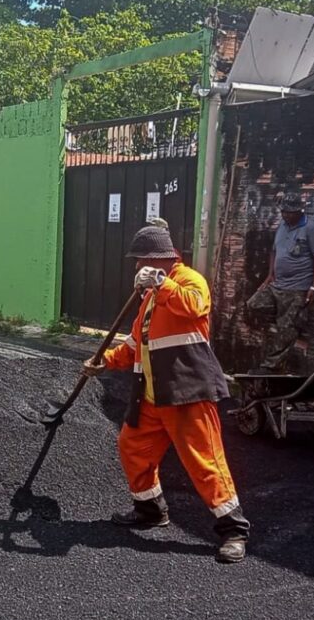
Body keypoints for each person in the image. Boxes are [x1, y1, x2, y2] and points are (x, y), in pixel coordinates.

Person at [83, 225, 251, 563]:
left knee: (204, 460)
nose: (135, 268)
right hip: (152, 393)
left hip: (187, 390)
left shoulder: (189, 281)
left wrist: (162, 283)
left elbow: (195, 307)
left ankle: (233, 530)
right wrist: (105, 361)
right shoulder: (147, 299)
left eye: (140, 260)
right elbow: (135, 344)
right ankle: (150, 509)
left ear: (160, 258)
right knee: (133, 445)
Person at [246, 192, 314, 371]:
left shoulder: (311, 228)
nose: (285, 215)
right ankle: (288, 321)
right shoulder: (282, 226)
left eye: (289, 212)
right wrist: (270, 274)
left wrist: (313, 286)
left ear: (299, 211)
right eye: (283, 212)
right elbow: (274, 251)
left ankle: (269, 367)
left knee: (286, 331)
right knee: (253, 305)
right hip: (277, 284)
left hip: (297, 288)